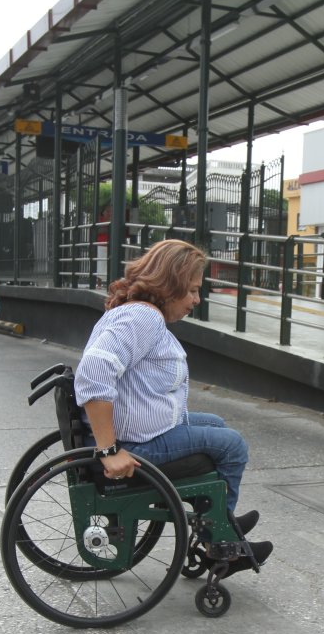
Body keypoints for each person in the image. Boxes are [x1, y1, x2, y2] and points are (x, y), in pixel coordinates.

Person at [74, 239, 272, 571]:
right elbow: (94, 372)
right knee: (232, 445)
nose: (197, 299)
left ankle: (216, 517)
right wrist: (109, 451)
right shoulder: (144, 318)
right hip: (136, 445)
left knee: (215, 424)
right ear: (169, 286)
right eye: (192, 290)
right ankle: (221, 543)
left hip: (140, 433)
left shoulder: (133, 313)